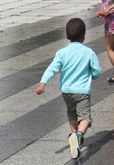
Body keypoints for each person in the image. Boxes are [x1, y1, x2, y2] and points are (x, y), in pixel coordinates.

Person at [35, 18, 101, 159]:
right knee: (85, 118)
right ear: (84, 35)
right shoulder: (88, 52)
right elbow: (96, 71)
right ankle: (77, 136)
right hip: (82, 91)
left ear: (66, 36)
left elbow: (52, 68)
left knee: (72, 114)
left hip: (66, 92)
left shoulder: (62, 52)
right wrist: (92, 76)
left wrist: (43, 82)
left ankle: (74, 139)